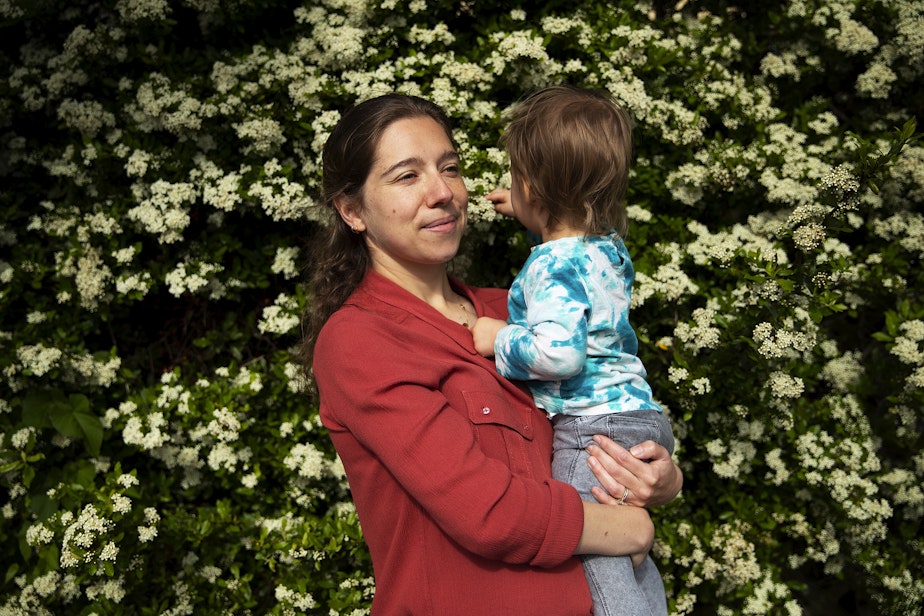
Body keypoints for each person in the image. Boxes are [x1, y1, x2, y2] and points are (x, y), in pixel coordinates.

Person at [300, 92, 682, 616]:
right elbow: (486, 509)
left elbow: (603, 412)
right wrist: (628, 526)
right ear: (351, 210)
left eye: (449, 168)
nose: (442, 193)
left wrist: (658, 476)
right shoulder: (360, 340)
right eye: (407, 176)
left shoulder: (510, 312)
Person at [471, 86, 676, 616]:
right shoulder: (607, 245)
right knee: (633, 559)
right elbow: (567, 236)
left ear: (533, 188)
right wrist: (523, 201)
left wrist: (499, 337)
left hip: (593, 432)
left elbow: (560, 356)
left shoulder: (550, 265)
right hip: (639, 417)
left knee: (601, 561)